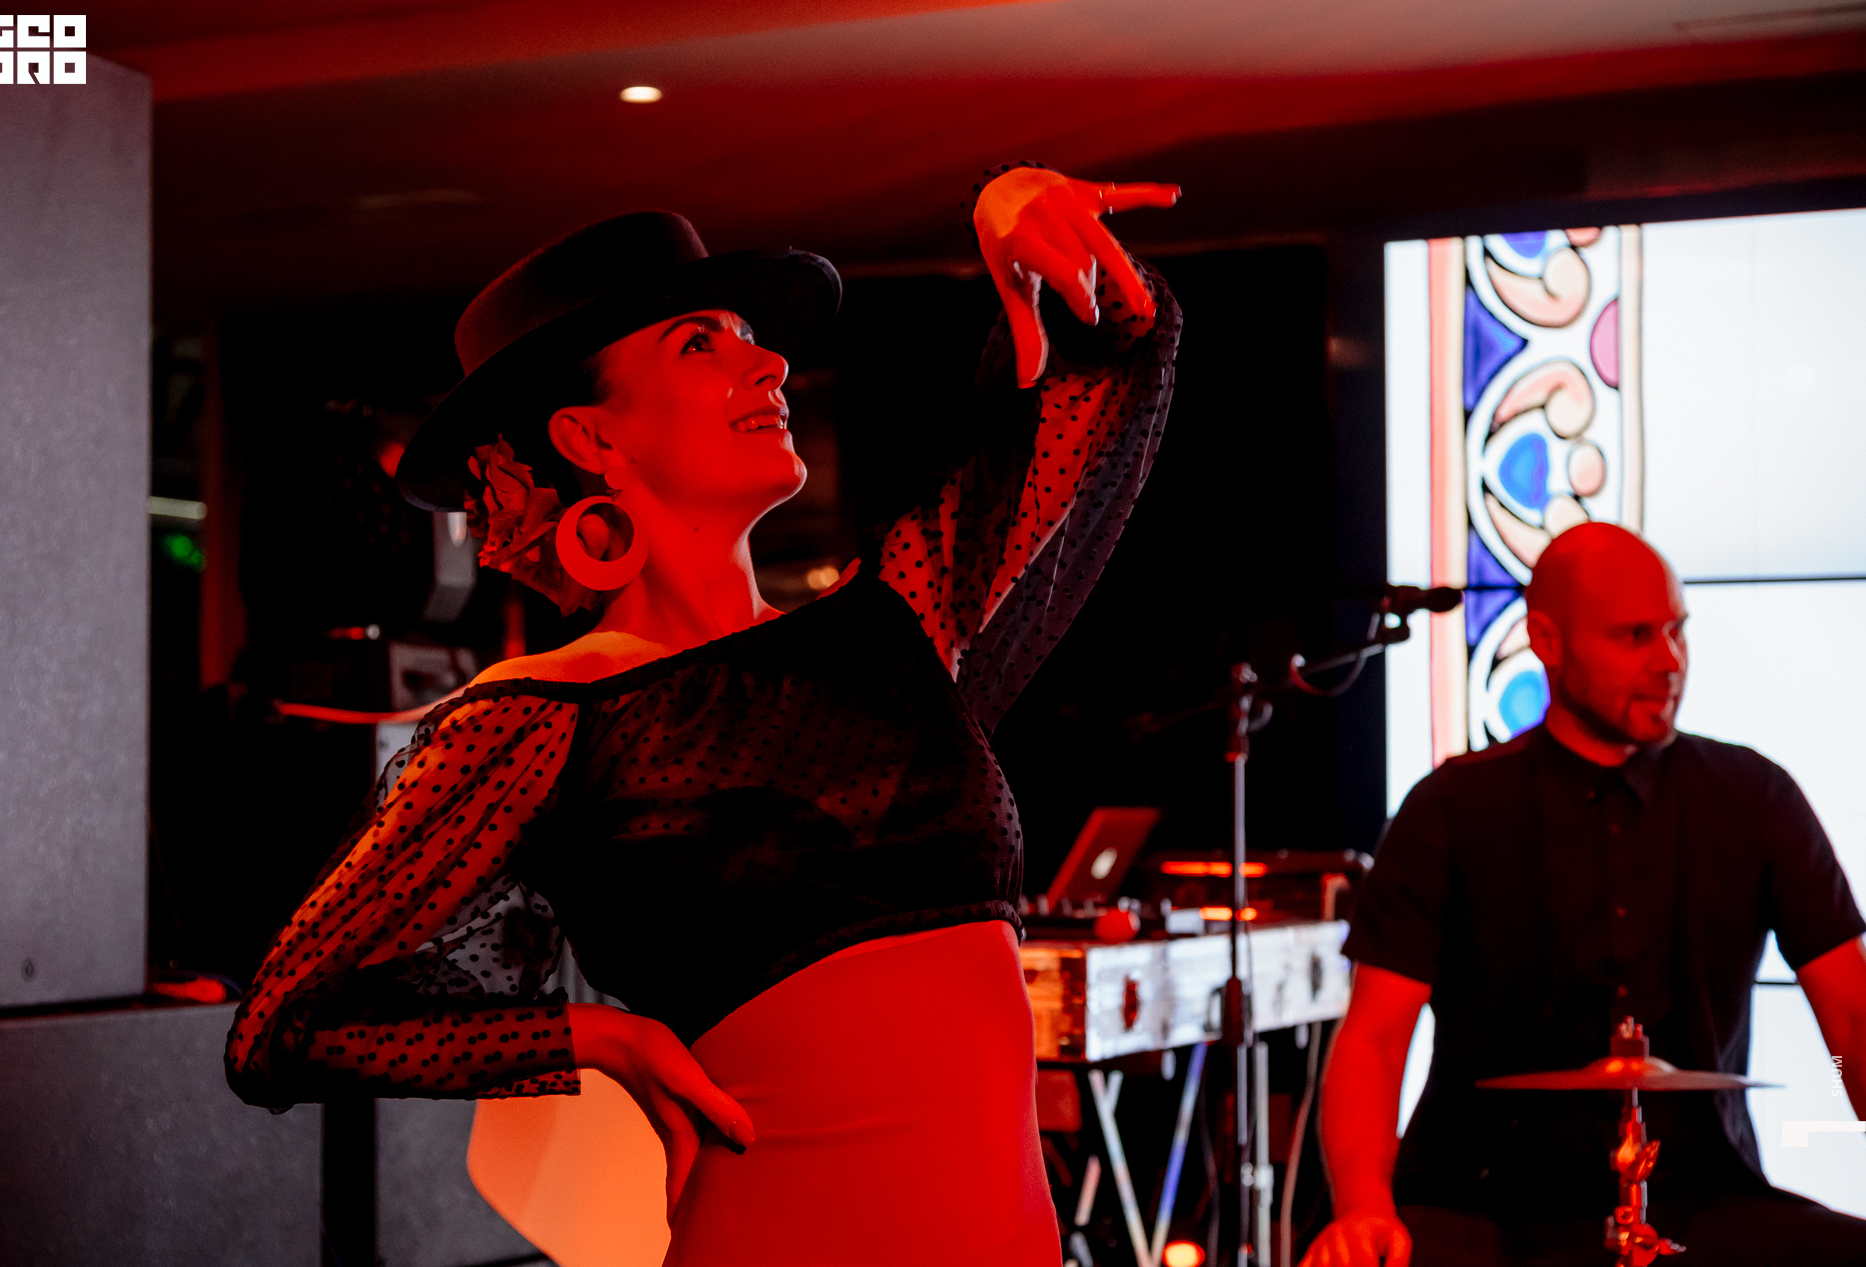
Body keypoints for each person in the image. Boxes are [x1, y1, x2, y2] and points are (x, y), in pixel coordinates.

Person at [224, 164, 1181, 1264]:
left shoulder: (895, 627)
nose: (768, 362)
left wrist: (1020, 226)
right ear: (591, 439)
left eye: (751, 338)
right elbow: (284, 1025)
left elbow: (1105, 382)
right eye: (700, 343)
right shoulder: (541, 715)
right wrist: (597, 1037)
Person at [1305, 523, 1866, 1267]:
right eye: (1635, 636)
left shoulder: (1756, 798)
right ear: (1547, 640)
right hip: (1481, 1201)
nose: (1669, 660)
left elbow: (1852, 1020)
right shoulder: (1449, 809)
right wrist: (1362, 1207)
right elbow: (1375, 1039)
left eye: (1676, 630)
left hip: (1707, 1198)